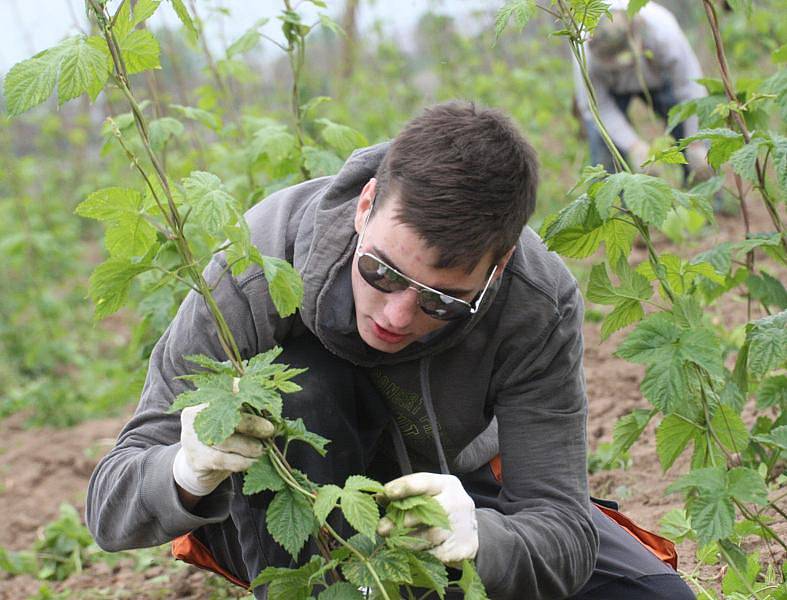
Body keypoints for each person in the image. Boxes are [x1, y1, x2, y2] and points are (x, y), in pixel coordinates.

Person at [86, 102, 694, 599]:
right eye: (382, 272)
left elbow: (560, 529)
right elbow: (108, 507)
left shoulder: (535, 299)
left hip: (443, 503)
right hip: (295, 514)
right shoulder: (257, 266)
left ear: (498, 267)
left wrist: (481, 536)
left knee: (658, 596)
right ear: (366, 205)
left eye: (444, 302)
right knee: (301, 394)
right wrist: (186, 471)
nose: (397, 315)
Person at [574, 0, 713, 180]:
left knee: (684, 125)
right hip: (611, 88)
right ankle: (616, 203)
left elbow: (690, 88)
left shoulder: (663, 31)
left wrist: (696, 142)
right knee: (604, 144)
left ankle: (706, 193)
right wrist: (634, 146)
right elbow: (598, 109)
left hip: (657, 78)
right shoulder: (583, 50)